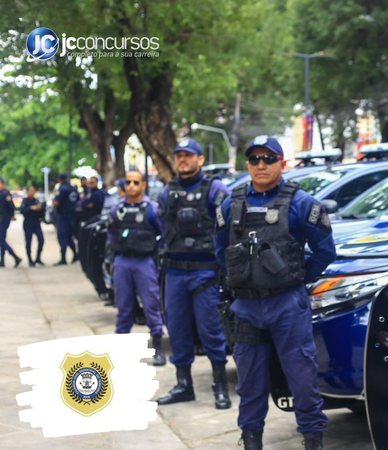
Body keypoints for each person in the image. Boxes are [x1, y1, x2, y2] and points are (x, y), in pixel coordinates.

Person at [214, 136, 336, 450]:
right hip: (247, 308)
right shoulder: (232, 204)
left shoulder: (301, 203)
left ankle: (312, 439)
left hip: (287, 305)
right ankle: (252, 439)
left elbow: (325, 251)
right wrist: (239, 280)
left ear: (282, 162)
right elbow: (219, 250)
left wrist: (295, 278)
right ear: (247, 165)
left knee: (302, 378)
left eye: (269, 158)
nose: (261, 165)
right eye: (255, 159)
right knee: (250, 382)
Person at [155, 137, 232, 409]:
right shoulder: (168, 191)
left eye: (189, 155)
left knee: (211, 332)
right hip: (174, 272)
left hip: (205, 274)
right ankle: (183, 385)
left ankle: (220, 386)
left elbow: (229, 229)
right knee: (177, 331)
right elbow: (162, 229)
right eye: (179, 156)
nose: (183, 160)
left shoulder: (216, 189)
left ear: (201, 159)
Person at [106, 170, 166, 366]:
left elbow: (163, 233)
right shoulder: (117, 210)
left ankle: (157, 348)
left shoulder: (152, 209)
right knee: (124, 306)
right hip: (123, 261)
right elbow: (111, 234)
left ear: (143, 185)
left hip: (145, 262)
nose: (131, 186)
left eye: (135, 182)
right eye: (128, 182)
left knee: (151, 306)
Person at [52, 173, 78, 265]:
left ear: (60, 180)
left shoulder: (62, 189)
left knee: (62, 237)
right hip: (72, 217)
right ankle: (75, 255)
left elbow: (56, 202)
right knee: (69, 237)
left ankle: (63, 259)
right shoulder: (73, 188)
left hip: (63, 216)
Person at [20, 186, 45, 267]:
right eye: (30, 191)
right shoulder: (25, 201)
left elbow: (42, 212)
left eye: (33, 191)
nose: (32, 192)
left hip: (36, 223)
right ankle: (30, 260)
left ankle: (38, 258)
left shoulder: (37, 200)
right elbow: (22, 211)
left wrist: (40, 209)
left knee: (41, 240)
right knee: (28, 242)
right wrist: (31, 208)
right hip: (28, 224)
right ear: (27, 192)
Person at [0, 177, 22, 268]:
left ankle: (15, 257)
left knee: (1, 241)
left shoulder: (5, 193)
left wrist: (12, 215)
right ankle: (3, 261)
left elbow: (11, 206)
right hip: (2, 219)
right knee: (2, 240)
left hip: (3, 220)